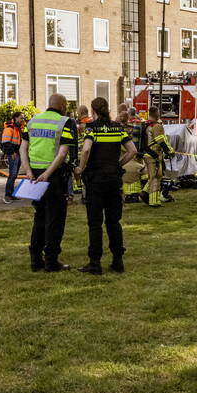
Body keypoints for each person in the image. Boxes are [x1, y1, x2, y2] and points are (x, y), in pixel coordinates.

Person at [74, 97, 138, 274]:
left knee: (95, 223)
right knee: (113, 222)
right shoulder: (118, 128)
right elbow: (132, 150)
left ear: (94, 111)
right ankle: (118, 260)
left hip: (95, 181)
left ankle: (95, 262)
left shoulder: (92, 128)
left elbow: (86, 149)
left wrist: (81, 167)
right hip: (113, 180)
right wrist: (118, 164)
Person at [20, 93, 78, 272]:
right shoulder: (64, 122)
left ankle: (35, 259)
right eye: (66, 105)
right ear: (62, 106)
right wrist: (48, 173)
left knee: (40, 216)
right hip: (53, 176)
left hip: (34, 175)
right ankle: (51, 261)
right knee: (55, 218)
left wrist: (28, 171)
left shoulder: (32, 121)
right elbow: (62, 153)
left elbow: (23, 148)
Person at [141, 106, 174, 207]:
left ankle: (144, 193)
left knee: (153, 176)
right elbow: (161, 140)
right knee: (155, 177)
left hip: (146, 154)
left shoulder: (146, 125)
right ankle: (154, 202)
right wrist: (170, 151)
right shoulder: (157, 126)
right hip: (154, 155)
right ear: (156, 113)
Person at [0, 111, 25, 203]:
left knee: (14, 175)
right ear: (16, 118)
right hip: (13, 154)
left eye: (23, 118)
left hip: (17, 153)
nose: (23, 120)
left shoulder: (18, 128)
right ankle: (7, 196)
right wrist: (12, 153)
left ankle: (11, 194)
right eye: (21, 118)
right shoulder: (10, 128)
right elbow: (5, 142)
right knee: (12, 175)